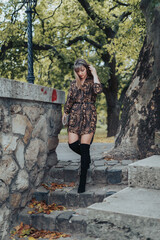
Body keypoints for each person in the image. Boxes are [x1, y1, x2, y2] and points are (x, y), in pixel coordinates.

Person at [62, 59, 102, 193]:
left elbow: (98, 91)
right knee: (72, 144)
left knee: (84, 148)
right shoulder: (74, 83)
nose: (80, 73)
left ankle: (82, 183)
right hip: (75, 115)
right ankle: (87, 158)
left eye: (82, 70)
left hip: (89, 115)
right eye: (78, 71)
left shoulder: (92, 82)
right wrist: (65, 112)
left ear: (87, 69)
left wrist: (95, 73)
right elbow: (69, 99)